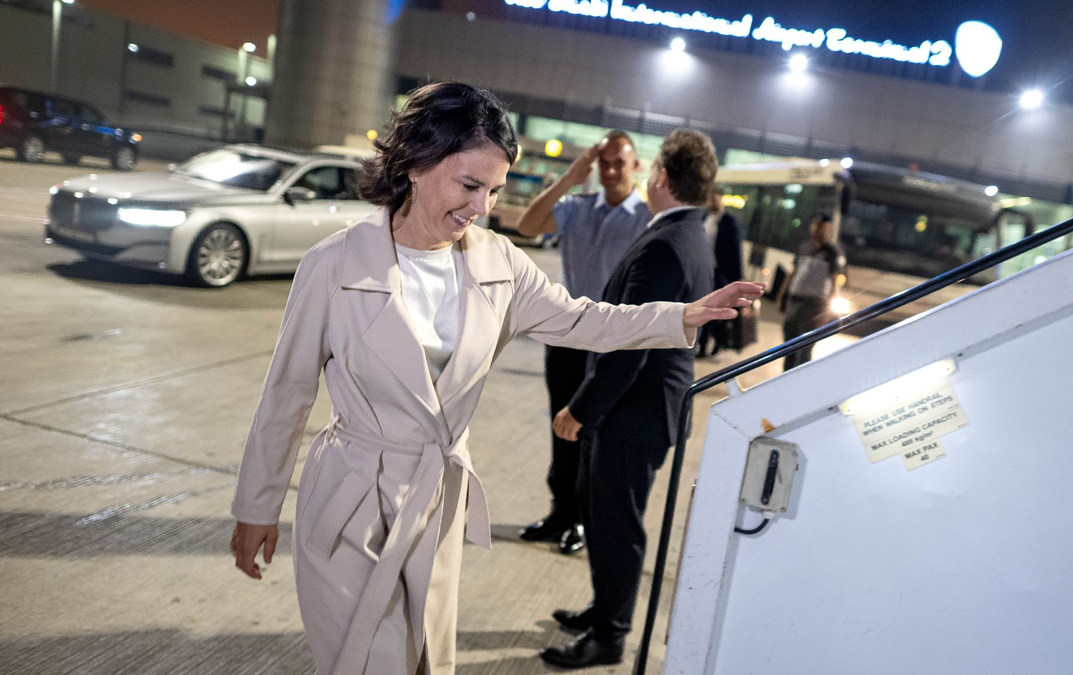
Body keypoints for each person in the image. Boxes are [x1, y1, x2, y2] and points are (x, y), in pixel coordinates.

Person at [228, 82, 764, 675]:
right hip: (350, 501)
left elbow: (583, 319)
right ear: (414, 164)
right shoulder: (334, 264)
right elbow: (287, 393)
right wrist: (257, 506)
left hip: (434, 502)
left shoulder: (498, 262)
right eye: (469, 185)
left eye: (494, 191)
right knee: (369, 661)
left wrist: (681, 316)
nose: (482, 207)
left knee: (424, 660)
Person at [540, 129, 722, 669]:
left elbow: (631, 343)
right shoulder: (686, 233)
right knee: (601, 513)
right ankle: (604, 611)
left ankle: (609, 636)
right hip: (640, 409)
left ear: (661, 177)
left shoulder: (666, 244)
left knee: (616, 526)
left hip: (634, 411)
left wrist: (580, 409)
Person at [515, 130, 652, 555]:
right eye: (603, 163)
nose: (610, 171)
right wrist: (569, 179)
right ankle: (561, 512)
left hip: (612, 342)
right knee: (561, 426)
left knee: (593, 431)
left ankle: (583, 519)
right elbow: (527, 226)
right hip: (567, 335)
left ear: (636, 166)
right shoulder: (577, 207)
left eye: (619, 163)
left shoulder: (646, 218)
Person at [780, 212, 846, 370]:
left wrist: (829, 309)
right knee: (788, 345)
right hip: (795, 300)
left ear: (828, 229)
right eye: (815, 225)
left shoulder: (832, 252)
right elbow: (793, 273)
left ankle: (800, 378)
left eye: (822, 226)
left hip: (813, 305)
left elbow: (834, 281)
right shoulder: (804, 247)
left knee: (805, 347)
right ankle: (785, 377)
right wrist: (781, 295)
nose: (817, 229)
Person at [696, 187, 745, 357]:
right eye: (710, 198)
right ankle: (702, 345)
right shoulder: (704, 218)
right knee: (703, 308)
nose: (712, 202)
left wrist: (738, 277)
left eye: (715, 198)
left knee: (715, 311)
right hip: (704, 271)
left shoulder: (729, 221)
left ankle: (717, 342)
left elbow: (735, 250)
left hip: (720, 274)